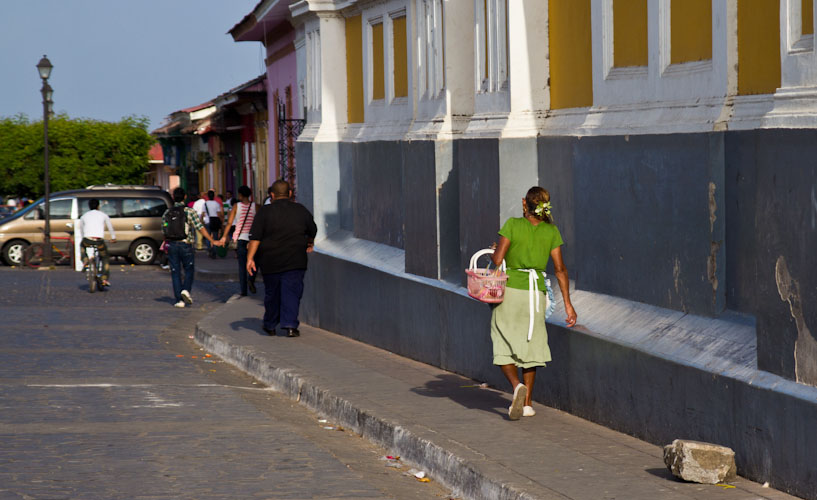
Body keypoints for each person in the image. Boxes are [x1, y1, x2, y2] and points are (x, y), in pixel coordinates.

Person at [490, 186, 577, 420]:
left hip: (511, 291)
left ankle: (517, 386)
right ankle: (527, 404)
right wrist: (568, 305)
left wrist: (494, 251)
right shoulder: (551, 232)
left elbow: (498, 259)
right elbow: (560, 269)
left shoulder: (512, 225)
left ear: (524, 204)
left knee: (502, 342)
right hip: (536, 294)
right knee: (531, 345)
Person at [246, 179, 317, 337]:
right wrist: (309, 242)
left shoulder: (264, 212)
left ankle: (270, 325)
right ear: (290, 193)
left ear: (272, 195)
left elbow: (255, 238)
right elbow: (313, 228)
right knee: (292, 293)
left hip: (270, 260)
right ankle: (290, 325)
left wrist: (250, 258)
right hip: (295, 260)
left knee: (272, 293)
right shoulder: (300, 210)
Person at [162, 187, 222, 308]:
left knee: (175, 272)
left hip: (172, 244)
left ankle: (179, 300)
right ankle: (186, 290)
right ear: (184, 197)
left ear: (173, 198)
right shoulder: (189, 211)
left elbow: (164, 229)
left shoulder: (167, 212)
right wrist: (211, 240)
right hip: (186, 244)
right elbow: (200, 227)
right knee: (189, 269)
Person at [219, 185, 258, 296]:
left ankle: (243, 290)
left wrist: (224, 236)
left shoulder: (236, 206)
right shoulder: (256, 206)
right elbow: (259, 223)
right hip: (253, 240)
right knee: (254, 262)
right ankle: (251, 279)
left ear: (240, 195)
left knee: (242, 265)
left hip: (241, 239)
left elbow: (230, 222)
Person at [79, 198, 116, 287]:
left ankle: (85, 260)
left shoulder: (84, 216)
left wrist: (83, 237)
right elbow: (110, 227)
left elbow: (81, 230)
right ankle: (104, 278)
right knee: (105, 257)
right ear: (98, 206)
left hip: (87, 239)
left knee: (82, 246)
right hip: (99, 241)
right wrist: (113, 238)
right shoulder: (103, 215)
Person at [202, 190, 223, 258]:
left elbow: (203, 214)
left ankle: (209, 249)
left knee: (208, 236)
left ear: (208, 196)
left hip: (208, 221)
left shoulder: (205, 204)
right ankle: (214, 250)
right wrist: (221, 221)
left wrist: (201, 221)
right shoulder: (216, 204)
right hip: (215, 221)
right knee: (215, 236)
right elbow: (219, 214)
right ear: (214, 196)